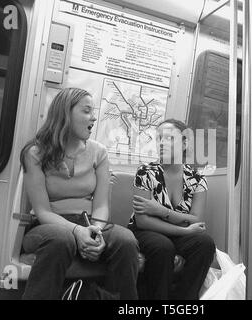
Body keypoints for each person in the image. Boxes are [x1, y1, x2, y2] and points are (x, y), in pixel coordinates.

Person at [19, 87, 139, 300]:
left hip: (89, 223)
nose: (93, 117)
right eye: (86, 111)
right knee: (61, 238)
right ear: (65, 113)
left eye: (93, 112)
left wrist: (96, 232)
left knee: (126, 240)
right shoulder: (34, 152)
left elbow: (101, 205)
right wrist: (77, 231)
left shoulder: (98, 152)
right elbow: (42, 210)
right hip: (48, 226)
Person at [129, 119, 216, 300]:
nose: (161, 143)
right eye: (159, 138)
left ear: (184, 143)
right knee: (163, 246)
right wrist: (184, 228)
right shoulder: (146, 172)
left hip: (176, 233)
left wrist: (160, 211)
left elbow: (197, 220)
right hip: (146, 230)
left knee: (205, 244)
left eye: (168, 138)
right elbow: (143, 220)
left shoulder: (197, 179)